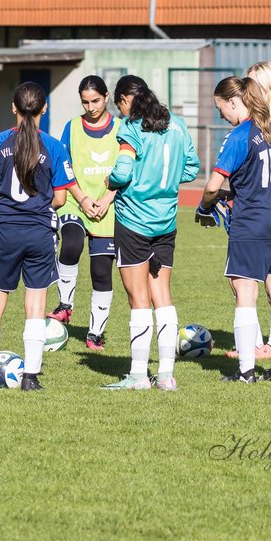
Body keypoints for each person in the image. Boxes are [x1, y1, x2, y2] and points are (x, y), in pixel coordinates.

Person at [0, 82, 80, 391]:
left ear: (14, 109)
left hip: (6, 230)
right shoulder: (55, 147)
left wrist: (3, 214)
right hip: (39, 232)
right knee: (35, 305)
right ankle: (31, 376)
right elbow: (60, 199)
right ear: (44, 109)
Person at [102, 75, 200, 391]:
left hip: (134, 222)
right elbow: (191, 167)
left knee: (138, 300)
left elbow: (123, 171)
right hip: (166, 222)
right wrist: (165, 180)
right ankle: (167, 376)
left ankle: (138, 376)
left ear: (124, 100)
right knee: (163, 298)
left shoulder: (131, 129)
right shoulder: (178, 125)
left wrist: (110, 182)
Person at [196, 77, 271, 384]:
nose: (220, 114)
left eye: (220, 107)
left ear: (234, 102)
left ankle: (246, 372)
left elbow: (213, 185)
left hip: (252, 223)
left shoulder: (239, 136)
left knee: (245, 294)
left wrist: (204, 207)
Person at [221, 60, 271, 361]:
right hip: (266, 205)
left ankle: (261, 351)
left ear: (268, 86)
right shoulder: (265, 119)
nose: (246, 90)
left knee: (268, 285)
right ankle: (262, 350)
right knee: (246, 281)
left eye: (252, 84)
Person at [49, 75, 120, 350]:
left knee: (101, 271)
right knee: (72, 243)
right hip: (75, 201)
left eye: (96, 101)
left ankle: (95, 334)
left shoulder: (121, 129)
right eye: (85, 102)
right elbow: (64, 167)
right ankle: (65, 304)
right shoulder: (72, 127)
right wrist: (82, 198)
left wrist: (107, 199)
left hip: (108, 207)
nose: (90, 107)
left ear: (106, 98)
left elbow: (128, 170)